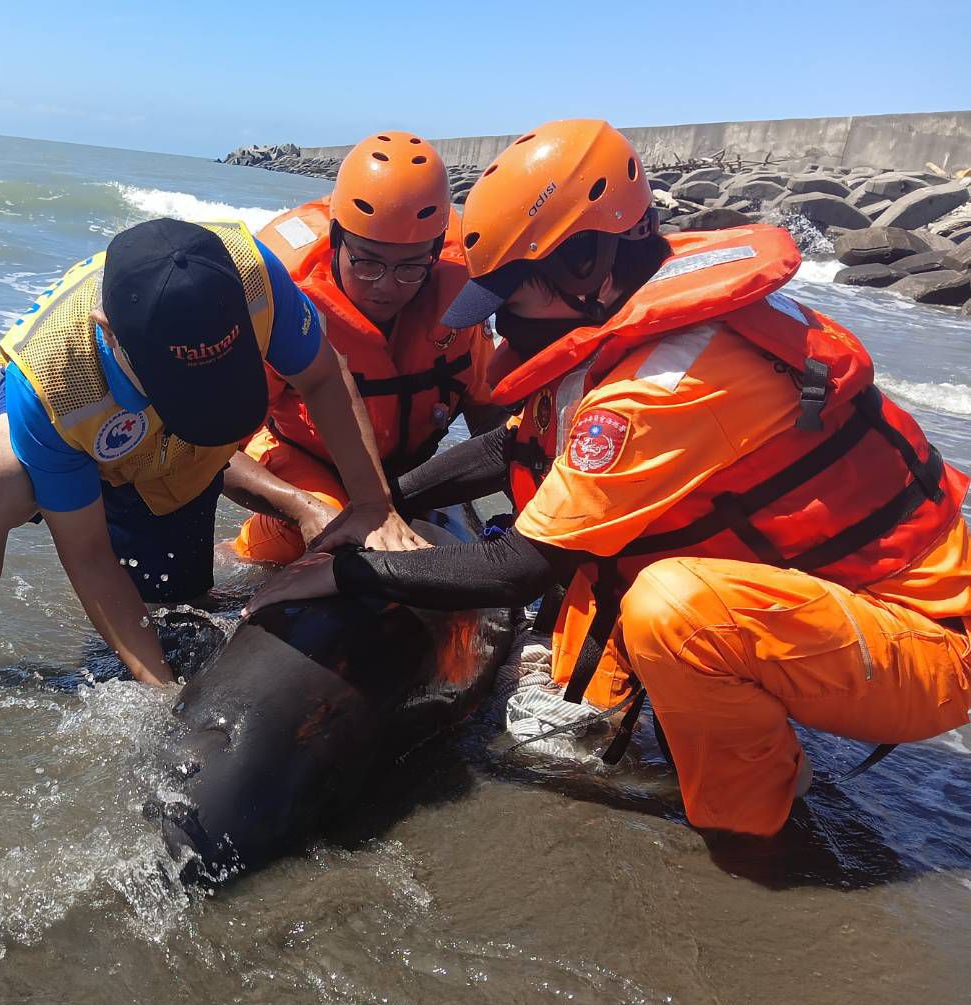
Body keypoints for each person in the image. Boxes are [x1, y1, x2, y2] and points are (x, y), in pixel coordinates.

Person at [248, 119, 971, 837]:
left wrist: (350, 576)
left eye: (511, 300)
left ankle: (753, 818)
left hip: (922, 636)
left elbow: (518, 567)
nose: (500, 329)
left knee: (671, 608)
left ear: (585, 265)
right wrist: (381, 505)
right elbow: (516, 447)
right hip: (813, 587)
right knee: (566, 716)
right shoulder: (630, 307)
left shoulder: (670, 379)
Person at [0, 217, 423, 685]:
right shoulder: (55, 388)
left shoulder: (254, 279)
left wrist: (373, 508)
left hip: (174, 447)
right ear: (110, 332)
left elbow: (322, 376)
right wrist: (161, 691)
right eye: (190, 390)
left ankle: (237, 517)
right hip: (86, 419)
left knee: (180, 607)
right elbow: (87, 556)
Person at [225, 131, 500, 565]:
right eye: (368, 262)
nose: (386, 287)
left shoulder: (461, 285)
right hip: (304, 456)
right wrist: (303, 508)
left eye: (410, 268)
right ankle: (241, 556)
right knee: (318, 533)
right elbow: (211, 456)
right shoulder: (282, 297)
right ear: (337, 238)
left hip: (413, 463)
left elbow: (489, 414)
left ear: (434, 252)